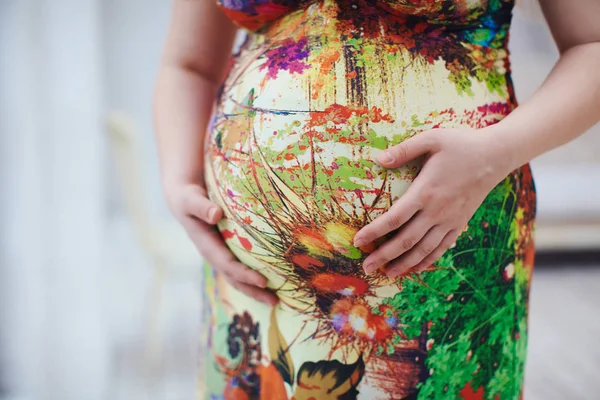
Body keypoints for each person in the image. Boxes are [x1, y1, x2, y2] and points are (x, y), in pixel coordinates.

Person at [153, 0, 600, 398]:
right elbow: (188, 64)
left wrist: (496, 152)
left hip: (449, 260)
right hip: (254, 293)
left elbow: (592, 46)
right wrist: (178, 181)